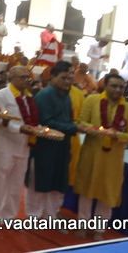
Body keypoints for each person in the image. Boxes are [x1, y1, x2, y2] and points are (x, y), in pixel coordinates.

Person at [73, 74, 128, 239]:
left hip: (113, 160)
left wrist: (116, 135)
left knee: (107, 193)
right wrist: (98, 130)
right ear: (105, 86)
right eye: (114, 86)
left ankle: (99, 230)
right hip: (91, 154)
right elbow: (82, 123)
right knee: (86, 191)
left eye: (121, 87)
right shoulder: (92, 101)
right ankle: (82, 225)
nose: (118, 89)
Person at [28, 61, 87, 221]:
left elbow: (67, 120)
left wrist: (75, 126)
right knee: (40, 180)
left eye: (70, 78)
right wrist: (75, 128)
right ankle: (33, 216)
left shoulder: (66, 96)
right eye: (63, 78)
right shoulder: (45, 95)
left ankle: (51, 214)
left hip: (62, 145)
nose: (67, 81)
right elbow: (47, 122)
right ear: (52, 77)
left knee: (58, 181)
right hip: (45, 146)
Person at [0, 66, 39, 222]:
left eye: (27, 77)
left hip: (24, 146)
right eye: (22, 77)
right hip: (4, 146)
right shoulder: (2, 95)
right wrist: (19, 128)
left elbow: (31, 121)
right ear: (11, 78)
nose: (26, 80)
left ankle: (8, 216)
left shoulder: (28, 97)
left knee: (16, 185)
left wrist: (39, 129)